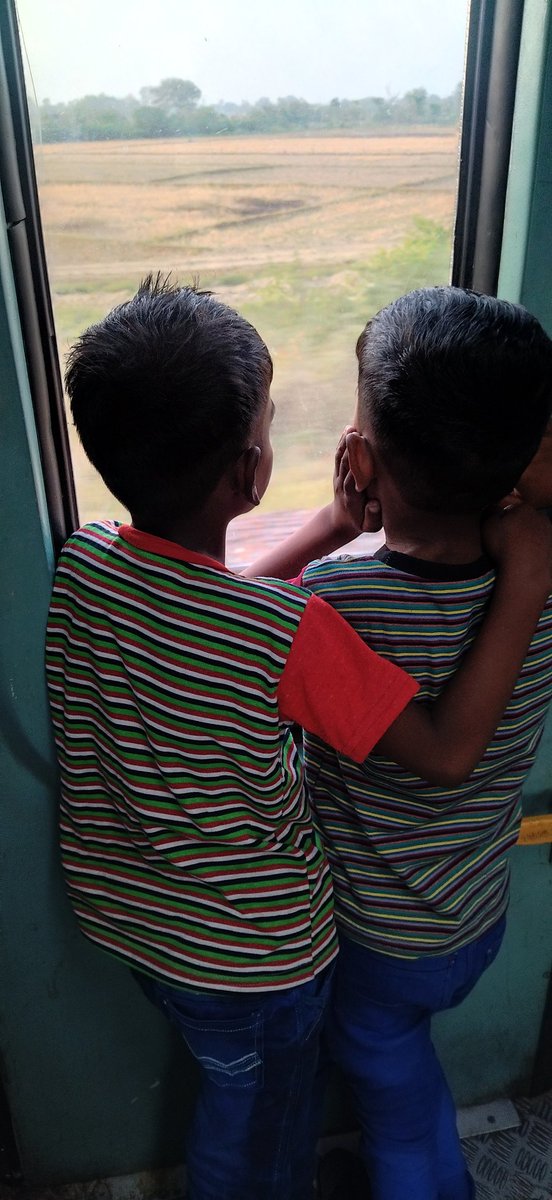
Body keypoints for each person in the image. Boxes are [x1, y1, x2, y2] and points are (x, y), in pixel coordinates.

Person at [45, 277, 551, 1200]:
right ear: (250, 472)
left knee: (263, 1093)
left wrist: (326, 529)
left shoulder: (81, 558)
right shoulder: (300, 626)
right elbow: (424, 739)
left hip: (141, 919)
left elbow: (217, 607)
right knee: (265, 1122)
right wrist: (524, 572)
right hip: (320, 944)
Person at [252, 286, 552, 1200]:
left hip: (380, 942)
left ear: (357, 458)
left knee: (393, 1088)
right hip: (474, 914)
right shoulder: (534, 591)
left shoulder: (332, 610)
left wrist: (336, 525)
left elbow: (233, 615)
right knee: (400, 1055)